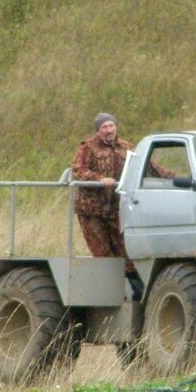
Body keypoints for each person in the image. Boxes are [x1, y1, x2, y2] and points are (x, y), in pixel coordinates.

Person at [70, 113, 144, 299]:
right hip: (91, 210)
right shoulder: (87, 147)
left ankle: (139, 293)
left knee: (125, 251)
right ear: (98, 130)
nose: (109, 130)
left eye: (111, 126)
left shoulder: (127, 147)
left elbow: (147, 166)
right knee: (102, 253)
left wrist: (173, 177)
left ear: (116, 127)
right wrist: (100, 179)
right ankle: (113, 296)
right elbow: (78, 169)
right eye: (104, 127)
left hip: (116, 209)